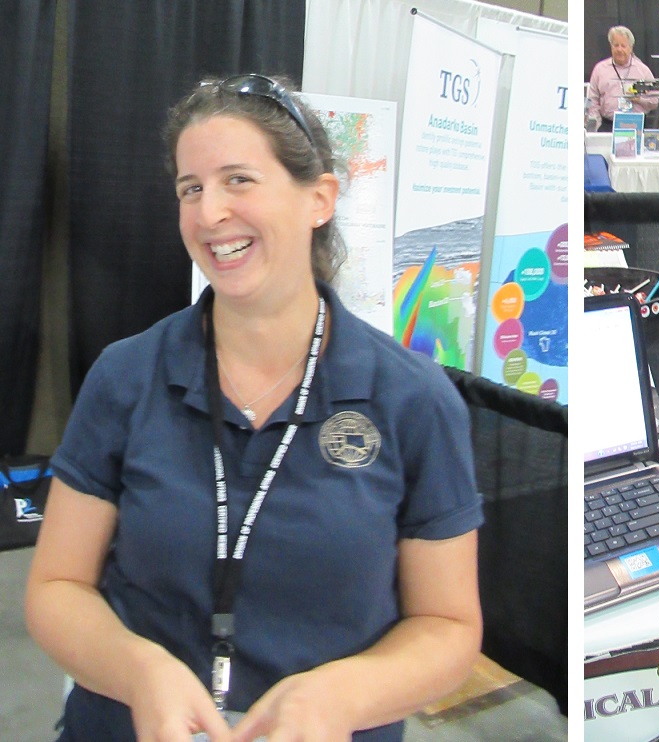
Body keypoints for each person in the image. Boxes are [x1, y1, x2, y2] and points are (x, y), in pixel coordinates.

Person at [25, 74, 483, 741]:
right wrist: (138, 672)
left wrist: (342, 698)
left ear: (318, 198)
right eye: (191, 188)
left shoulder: (412, 399)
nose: (209, 213)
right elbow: (56, 587)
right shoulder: (127, 376)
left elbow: (448, 626)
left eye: (238, 180)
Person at [586, 26, 659, 133]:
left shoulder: (643, 70)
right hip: (608, 127)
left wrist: (639, 100)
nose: (619, 49)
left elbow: (655, 100)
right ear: (611, 47)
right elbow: (592, 101)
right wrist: (597, 126)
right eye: (616, 45)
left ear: (630, 48)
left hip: (636, 127)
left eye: (623, 46)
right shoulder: (600, 69)